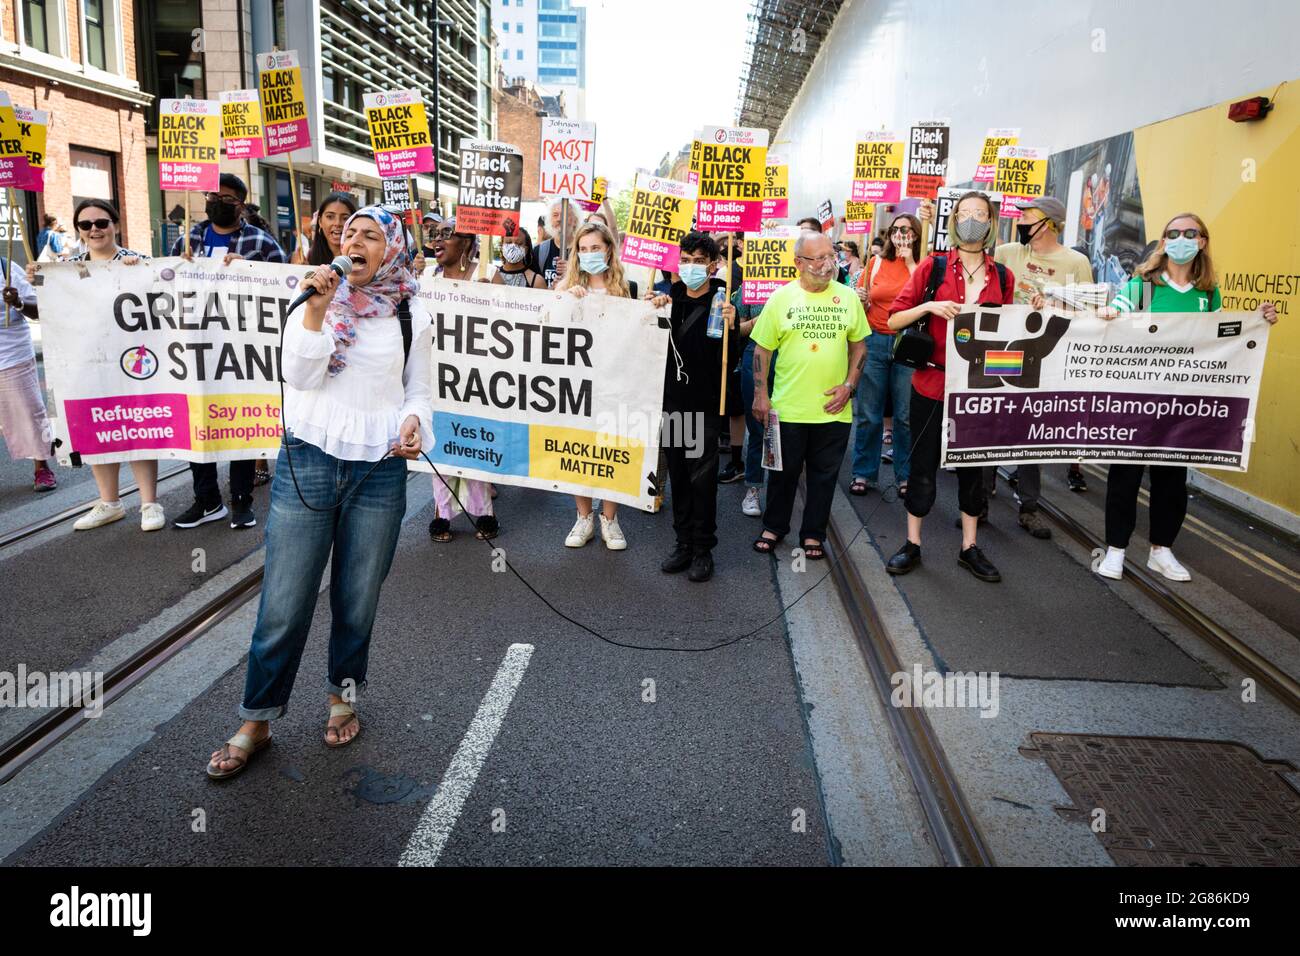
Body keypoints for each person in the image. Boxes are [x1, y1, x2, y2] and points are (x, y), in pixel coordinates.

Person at [205, 205, 430, 780]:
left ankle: (341, 696)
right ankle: (257, 718)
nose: (353, 240)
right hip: (308, 459)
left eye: (370, 235)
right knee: (284, 600)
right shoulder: (312, 295)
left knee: (358, 599)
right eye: (348, 231)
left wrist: (414, 424)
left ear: (393, 250)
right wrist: (317, 310)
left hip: (378, 470)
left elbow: (419, 391)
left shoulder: (411, 312)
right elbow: (300, 377)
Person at [1094, 212, 1278, 583]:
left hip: (1181, 406)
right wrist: (1110, 314)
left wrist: (1257, 320)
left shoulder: (1207, 293)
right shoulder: (1142, 286)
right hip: (1137, 402)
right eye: (1172, 233)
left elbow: (1222, 339)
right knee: (1124, 479)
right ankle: (1115, 550)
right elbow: (1118, 313)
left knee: (1172, 483)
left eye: (1189, 233)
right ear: (1163, 242)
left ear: (1202, 242)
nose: (1180, 239)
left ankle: (1161, 551)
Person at [884, 190, 1015, 583]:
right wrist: (928, 307)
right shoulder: (933, 267)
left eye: (980, 214)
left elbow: (1010, 334)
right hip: (932, 382)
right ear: (954, 221)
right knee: (922, 465)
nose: (972, 219)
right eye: (965, 213)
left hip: (979, 388)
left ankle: (969, 548)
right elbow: (892, 321)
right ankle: (912, 544)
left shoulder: (1004, 276)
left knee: (972, 468)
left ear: (991, 224)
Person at [28, 201, 161, 523]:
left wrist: (143, 277)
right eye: (85, 225)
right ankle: (109, 503)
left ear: (115, 224)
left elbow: (163, 308)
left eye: (101, 222)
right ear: (78, 231)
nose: (94, 230)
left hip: (133, 362)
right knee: (99, 430)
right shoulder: (67, 270)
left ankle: (149, 504)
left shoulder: (139, 261)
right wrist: (33, 287)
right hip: (88, 362)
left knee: (138, 428)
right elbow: (47, 311)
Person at [170, 172, 286, 530]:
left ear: (241, 204)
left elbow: (283, 286)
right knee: (198, 424)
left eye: (228, 198)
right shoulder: (188, 238)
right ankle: (207, 501)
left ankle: (241, 501)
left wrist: (249, 270)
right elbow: (165, 283)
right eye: (212, 195)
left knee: (240, 424)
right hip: (197, 345)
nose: (218, 202)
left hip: (242, 347)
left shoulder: (261, 242)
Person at [751, 231, 868, 561]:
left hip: (834, 410)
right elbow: (762, 351)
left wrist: (849, 386)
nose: (826, 264)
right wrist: (761, 395)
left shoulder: (847, 298)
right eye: (817, 258)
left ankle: (813, 534)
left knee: (824, 476)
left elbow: (860, 346)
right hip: (788, 408)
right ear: (798, 263)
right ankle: (774, 526)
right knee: (782, 474)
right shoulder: (781, 298)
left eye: (829, 256)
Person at [988, 196, 1096, 535]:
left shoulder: (1076, 262)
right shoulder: (1007, 253)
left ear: (1049, 222)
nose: (1021, 222)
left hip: (1044, 358)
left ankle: (1029, 506)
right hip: (1002, 352)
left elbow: (1088, 312)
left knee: (1031, 433)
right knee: (989, 424)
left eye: (1028, 217)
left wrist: (1056, 303)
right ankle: (978, 498)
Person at [647, 232, 739, 581]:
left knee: (703, 479)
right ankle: (682, 543)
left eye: (698, 261)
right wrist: (648, 311)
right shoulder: (669, 298)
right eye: (685, 260)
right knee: (680, 478)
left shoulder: (722, 301)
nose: (690, 267)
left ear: (714, 265)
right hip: (672, 401)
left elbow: (728, 357)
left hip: (705, 404)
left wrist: (734, 328)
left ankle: (703, 550)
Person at [557, 220, 638, 550]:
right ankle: (583, 516)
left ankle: (610, 519)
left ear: (609, 250)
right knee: (579, 446)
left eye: (596, 248)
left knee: (612, 447)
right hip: (577, 385)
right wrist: (566, 299)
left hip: (615, 382)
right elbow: (548, 328)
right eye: (584, 249)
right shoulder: (566, 287)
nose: (589, 254)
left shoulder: (626, 288)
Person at [426, 216, 497, 542]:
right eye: (434, 235)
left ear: (467, 243)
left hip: (477, 378)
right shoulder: (426, 275)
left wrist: (490, 297)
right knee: (442, 441)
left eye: (447, 234)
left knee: (475, 441)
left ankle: (483, 512)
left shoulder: (487, 275)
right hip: (439, 376)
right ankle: (442, 512)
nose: (437, 240)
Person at [849, 211, 922, 498]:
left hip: (908, 342)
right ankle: (863, 473)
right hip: (876, 340)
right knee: (869, 412)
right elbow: (862, 303)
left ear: (916, 234)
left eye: (906, 230)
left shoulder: (923, 264)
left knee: (904, 415)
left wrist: (912, 262)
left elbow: (925, 297)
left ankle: (905, 475)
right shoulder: (876, 262)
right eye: (895, 229)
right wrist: (861, 299)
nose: (900, 234)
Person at [1, 248, 56, 492]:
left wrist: (18, 302)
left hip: (12, 354)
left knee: (29, 410)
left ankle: (42, 467)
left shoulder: (8, 268)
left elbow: (39, 309)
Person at [714, 232, 747, 484]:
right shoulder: (728, 275)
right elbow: (727, 325)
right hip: (740, 353)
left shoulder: (782, 279)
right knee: (737, 409)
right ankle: (738, 462)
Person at [296, 191, 358, 266]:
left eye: (345, 218)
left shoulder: (359, 258)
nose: (337, 223)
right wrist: (305, 270)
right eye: (330, 217)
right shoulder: (310, 256)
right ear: (320, 222)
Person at [535, 198, 580, 287]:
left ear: (575, 221)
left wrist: (572, 272)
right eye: (555, 215)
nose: (559, 219)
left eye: (565, 215)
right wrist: (552, 290)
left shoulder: (583, 250)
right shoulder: (539, 251)